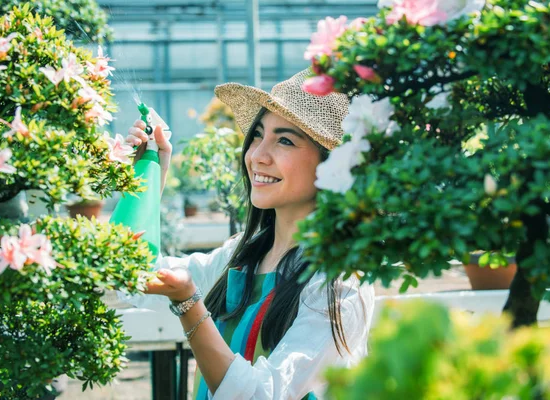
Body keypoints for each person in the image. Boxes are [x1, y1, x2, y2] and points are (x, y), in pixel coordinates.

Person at [121, 69, 375, 400]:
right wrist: (149, 173)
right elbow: (126, 275)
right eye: (258, 134)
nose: (256, 155)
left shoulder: (339, 283)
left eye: (284, 140)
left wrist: (189, 305)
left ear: (331, 167)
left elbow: (262, 396)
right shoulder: (238, 260)